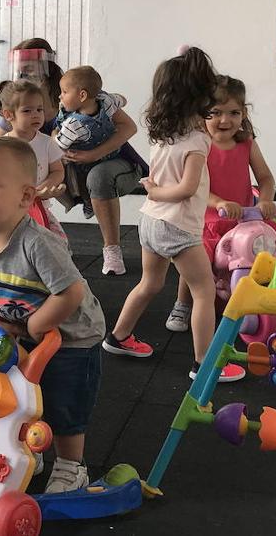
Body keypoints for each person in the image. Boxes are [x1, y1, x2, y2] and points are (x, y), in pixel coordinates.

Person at [0, 137, 106, 493]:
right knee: (24, 399)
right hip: (22, 334)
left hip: (71, 337)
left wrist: (39, 323)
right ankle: (27, 450)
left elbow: (70, 292)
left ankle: (72, 466)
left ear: (25, 197)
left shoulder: (37, 243)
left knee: (64, 403)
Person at [101, 47, 246, 383]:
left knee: (149, 283)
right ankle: (204, 366)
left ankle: (118, 338)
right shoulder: (197, 140)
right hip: (176, 226)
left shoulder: (162, 131)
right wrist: (155, 190)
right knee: (204, 293)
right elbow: (185, 188)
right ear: (199, 98)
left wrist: (153, 193)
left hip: (150, 221)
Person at [165, 75, 276, 333]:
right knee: (197, 260)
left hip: (248, 217)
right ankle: (183, 303)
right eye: (216, 113)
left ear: (243, 114)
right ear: (201, 115)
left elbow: (266, 178)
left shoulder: (246, 143)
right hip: (210, 220)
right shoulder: (200, 146)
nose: (225, 120)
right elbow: (195, 185)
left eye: (234, 112)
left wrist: (265, 199)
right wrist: (219, 201)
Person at [55, 66, 144, 276]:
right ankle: (84, 201)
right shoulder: (106, 101)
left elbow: (57, 145)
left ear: (82, 95)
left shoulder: (73, 124)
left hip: (111, 161)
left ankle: (111, 249)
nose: (60, 97)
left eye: (64, 92)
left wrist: (91, 153)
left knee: (95, 175)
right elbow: (121, 98)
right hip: (87, 163)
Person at [0, 80, 68, 245]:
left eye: (39, 109)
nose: (36, 115)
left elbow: (57, 171)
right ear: (9, 115)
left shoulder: (47, 143)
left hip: (39, 206)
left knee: (58, 244)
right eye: (27, 110)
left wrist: (44, 187)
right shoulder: (1, 145)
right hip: (9, 209)